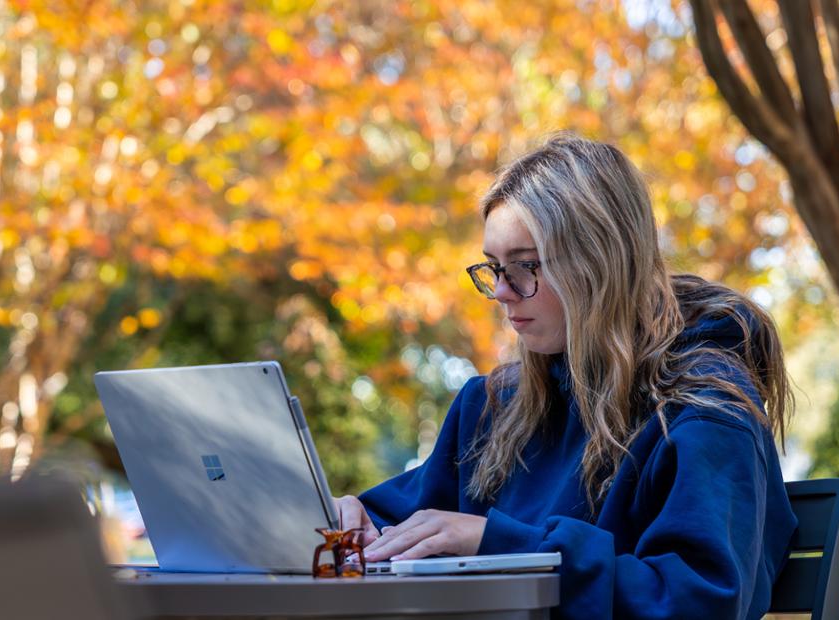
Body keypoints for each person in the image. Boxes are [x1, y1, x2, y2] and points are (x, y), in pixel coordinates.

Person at [333, 134, 797, 618]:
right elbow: (404, 519)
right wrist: (354, 521)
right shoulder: (491, 407)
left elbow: (698, 600)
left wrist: (501, 546)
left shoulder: (704, 408)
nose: (502, 293)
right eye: (494, 268)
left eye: (525, 266)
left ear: (599, 260)